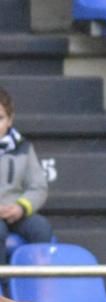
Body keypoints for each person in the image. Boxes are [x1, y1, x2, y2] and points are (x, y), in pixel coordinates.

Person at [0, 86, 53, 263]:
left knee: (41, 228)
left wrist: (20, 208)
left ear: (10, 120)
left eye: (0, 118)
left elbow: (38, 187)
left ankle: (36, 284)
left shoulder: (23, 148)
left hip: (15, 212)